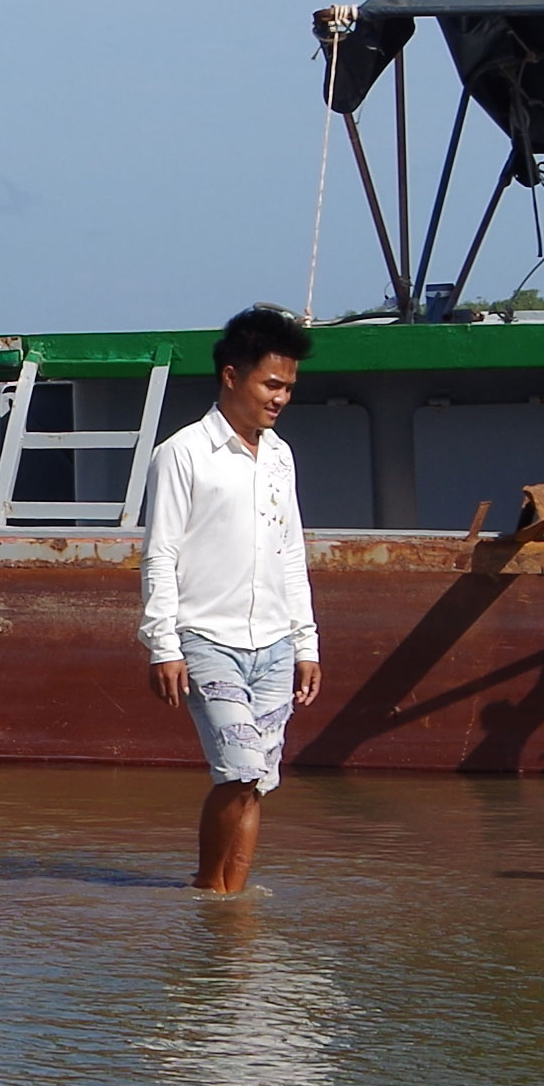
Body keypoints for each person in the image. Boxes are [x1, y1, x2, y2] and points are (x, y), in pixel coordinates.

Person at [141, 303, 323, 893]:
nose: (281, 398)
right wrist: (163, 646)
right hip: (206, 639)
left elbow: (291, 553)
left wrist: (306, 644)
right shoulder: (182, 453)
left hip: (274, 643)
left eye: (289, 388)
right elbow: (160, 555)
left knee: (258, 781)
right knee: (239, 769)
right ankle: (208, 890)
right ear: (231, 376)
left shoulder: (280, 456)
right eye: (272, 384)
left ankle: (229, 903)